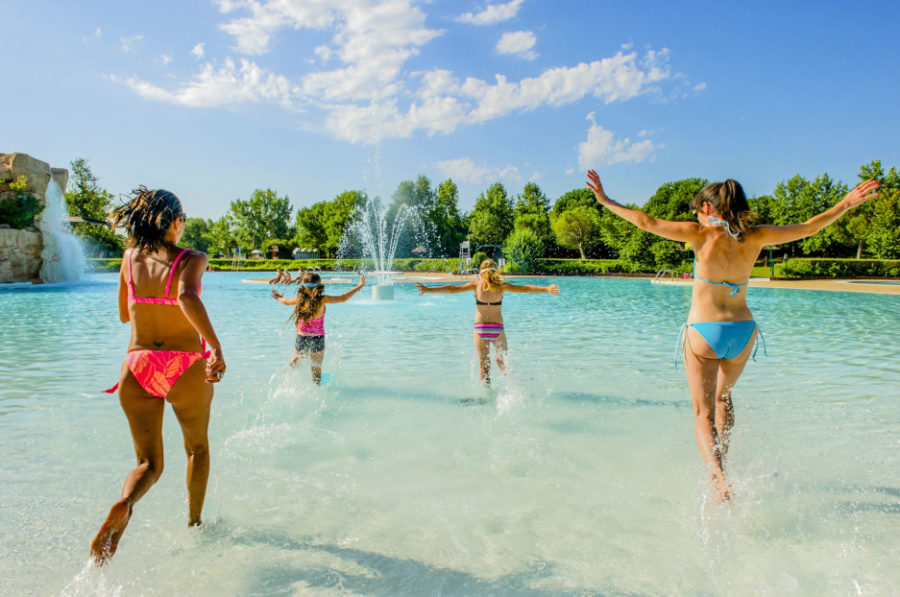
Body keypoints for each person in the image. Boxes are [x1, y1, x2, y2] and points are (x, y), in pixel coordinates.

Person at [586, 169, 880, 500]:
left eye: (698, 210)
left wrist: (606, 200)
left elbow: (646, 222)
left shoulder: (699, 234)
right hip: (743, 331)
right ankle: (725, 460)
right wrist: (845, 203)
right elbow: (810, 227)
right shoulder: (756, 236)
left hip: (704, 332)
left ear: (708, 209)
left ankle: (717, 477)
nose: (696, 216)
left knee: (703, 412)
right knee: (723, 397)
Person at [91, 187, 226, 565]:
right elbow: (185, 295)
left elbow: (124, 314)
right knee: (197, 448)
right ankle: (195, 524)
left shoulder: (129, 257)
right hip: (184, 365)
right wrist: (214, 346)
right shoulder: (192, 258)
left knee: (149, 464)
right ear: (176, 222)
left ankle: (126, 502)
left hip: (138, 365)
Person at [416, 259, 560, 385]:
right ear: (495, 272)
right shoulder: (502, 285)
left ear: (480, 274)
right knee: (503, 361)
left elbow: (453, 289)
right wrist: (546, 289)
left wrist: (429, 290)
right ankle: (512, 386)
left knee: (484, 367)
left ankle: (486, 395)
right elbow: (525, 289)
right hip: (498, 329)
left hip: (480, 329)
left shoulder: (476, 285)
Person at [271, 272, 366, 384]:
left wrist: (278, 298)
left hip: (302, 336)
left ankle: (287, 371)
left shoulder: (300, 299)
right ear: (318, 286)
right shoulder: (322, 299)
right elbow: (343, 297)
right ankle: (317, 389)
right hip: (317, 337)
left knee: (296, 360)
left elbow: (286, 302)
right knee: (316, 370)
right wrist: (359, 286)